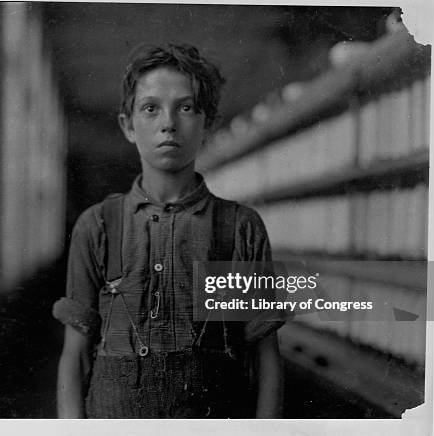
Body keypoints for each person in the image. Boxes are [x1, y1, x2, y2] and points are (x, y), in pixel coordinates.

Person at [53, 43, 283, 419]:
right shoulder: (97, 226)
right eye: (150, 108)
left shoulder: (239, 228)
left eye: (186, 107)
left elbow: (265, 357)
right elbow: (74, 356)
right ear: (128, 126)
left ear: (207, 124)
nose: (169, 123)